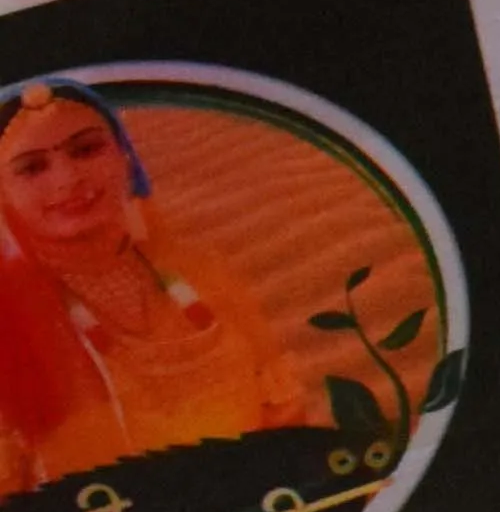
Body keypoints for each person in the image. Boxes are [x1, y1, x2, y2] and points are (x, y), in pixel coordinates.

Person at [0, 77, 307, 491]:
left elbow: (286, 429)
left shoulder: (201, 272)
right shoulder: (11, 324)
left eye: (86, 149)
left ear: (125, 157)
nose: (67, 179)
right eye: (33, 167)